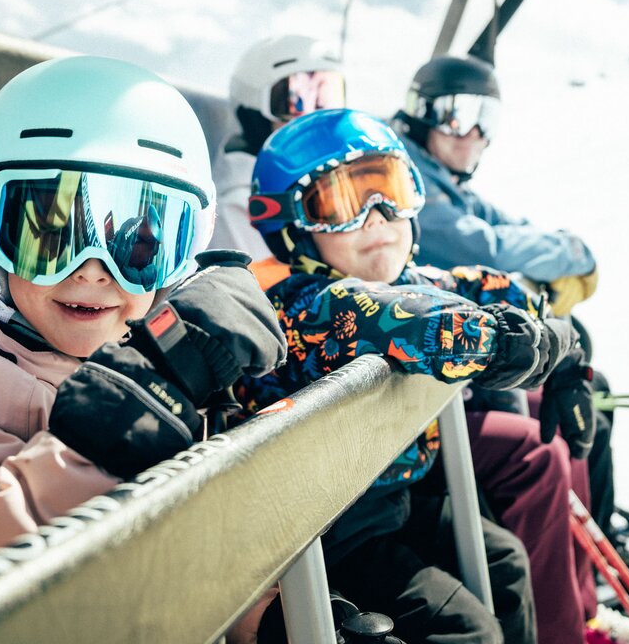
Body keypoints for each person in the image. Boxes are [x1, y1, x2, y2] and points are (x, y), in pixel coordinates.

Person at [0, 56, 286, 601]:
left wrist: (265, 618)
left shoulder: (166, 351)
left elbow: (189, 541)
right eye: (50, 236)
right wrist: (128, 407)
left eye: (139, 245)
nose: (93, 270)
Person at [236, 108, 596, 644]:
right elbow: (397, 318)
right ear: (293, 231)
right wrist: (507, 344)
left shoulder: (417, 278)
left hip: (393, 503)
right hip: (319, 535)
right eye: (342, 203)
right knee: (462, 631)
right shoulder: (301, 308)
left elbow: (494, 290)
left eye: (389, 191)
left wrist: (564, 351)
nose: (376, 217)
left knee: (505, 566)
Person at [392, 53, 629, 583]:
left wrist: (566, 246)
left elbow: (504, 224)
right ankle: (574, 573)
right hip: (440, 385)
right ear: (422, 111)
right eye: (458, 115)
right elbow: (480, 244)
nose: (473, 134)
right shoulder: (403, 174)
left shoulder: (445, 175)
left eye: (485, 120)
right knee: (542, 439)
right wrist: (571, 256)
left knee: (586, 398)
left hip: (469, 378)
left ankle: (591, 554)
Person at [209, 34, 346, 264]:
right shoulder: (238, 207)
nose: (314, 119)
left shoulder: (319, 182)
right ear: (256, 117)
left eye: (326, 97)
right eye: (296, 100)